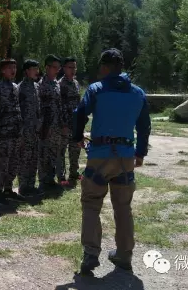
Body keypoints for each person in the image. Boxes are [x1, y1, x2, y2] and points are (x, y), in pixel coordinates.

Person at [71, 48, 151, 276]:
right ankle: (124, 255)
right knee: (123, 206)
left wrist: (77, 137)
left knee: (91, 203)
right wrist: (140, 153)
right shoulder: (137, 93)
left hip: (100, 155)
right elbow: (144, 125)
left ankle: (91, 253)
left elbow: (80, 113)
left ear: (105, 67)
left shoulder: (96, 89)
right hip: (125, 156)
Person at [0, 58, 26, 204]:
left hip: (16, 130)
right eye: (9, 68)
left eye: (14, 67)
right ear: (2, 70)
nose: (13, 70)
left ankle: (8, 189)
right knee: (2, 161)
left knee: (14, 161)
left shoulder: (15, 87)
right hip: (3, 131)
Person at [17, 59, 44, 197]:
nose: (37, 71)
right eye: (34, 69)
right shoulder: (20, 88)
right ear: (27, 71)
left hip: (35, 129)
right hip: (25, 129)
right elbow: (18, 110)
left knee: (34, 157)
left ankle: (31, 185)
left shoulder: (37, 86)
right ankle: (23, 186)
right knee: (24, 158)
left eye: (37, 69)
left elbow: (39, 108)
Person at [38, 54, 63, 191]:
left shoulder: (56, 84)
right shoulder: (41, 85)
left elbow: (59, 105)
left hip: (56, 125)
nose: (57, 70)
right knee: (44, 154)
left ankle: (50, 179)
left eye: (59, 68)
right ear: (47, 68)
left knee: (54, 153)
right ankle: (43, 181)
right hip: (45, 126)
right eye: (55, 67)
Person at [58, 57, 82, 185]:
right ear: (64, 68)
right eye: (70, 67)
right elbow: (59, 106)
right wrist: (63, 124)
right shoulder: (60, 84)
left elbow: (79, 102)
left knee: (75, 149)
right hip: (65, 124)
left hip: (75, 123)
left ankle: (74, 173)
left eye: (74, 67)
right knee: (61, 151)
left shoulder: (76, 83)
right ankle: (61, 177)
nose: (73, 70)